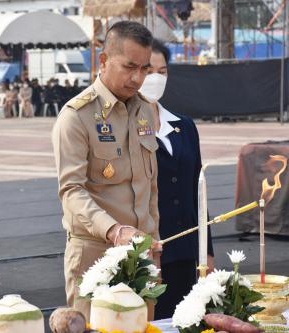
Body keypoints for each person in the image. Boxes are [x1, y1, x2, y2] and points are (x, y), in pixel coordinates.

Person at [52, 21, 161, 321]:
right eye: (129, 67)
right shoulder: (77, 116)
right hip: (96, 255)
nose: (137, 78)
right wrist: (114, 230)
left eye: (144, 68)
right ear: (103, 60)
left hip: (141, 256)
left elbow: (149, 186)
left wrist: (154, 241)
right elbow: (71, 191)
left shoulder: (146, 110)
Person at [138, 39, 215, 320]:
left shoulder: (184, 126)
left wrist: (206, 250)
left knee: (186, 320)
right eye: (148, 71)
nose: (156, 79)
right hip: (147, 254)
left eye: (163, 71)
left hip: (185, 252)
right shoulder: (122, 128)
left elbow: (199, 190)